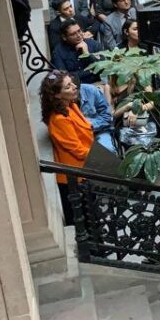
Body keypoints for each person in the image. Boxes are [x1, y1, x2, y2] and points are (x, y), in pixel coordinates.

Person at [40, 71, 96, 221]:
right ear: (57, 95)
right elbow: (77, 149)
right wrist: (99, 159)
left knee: (92, 215)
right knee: (84, 219)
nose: (74, 87)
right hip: (75, 177)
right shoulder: (59, 119)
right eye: (68, 87)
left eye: (71, 83)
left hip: (86, 168)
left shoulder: (70, 105)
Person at [77, 79, 116, 152]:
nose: (72, 88)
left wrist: (87, 124)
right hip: (79, 136)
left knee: (108, 151)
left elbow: (107, 116)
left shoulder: (91, 91)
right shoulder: (63, 102)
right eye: (68, 87)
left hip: (99, 130)